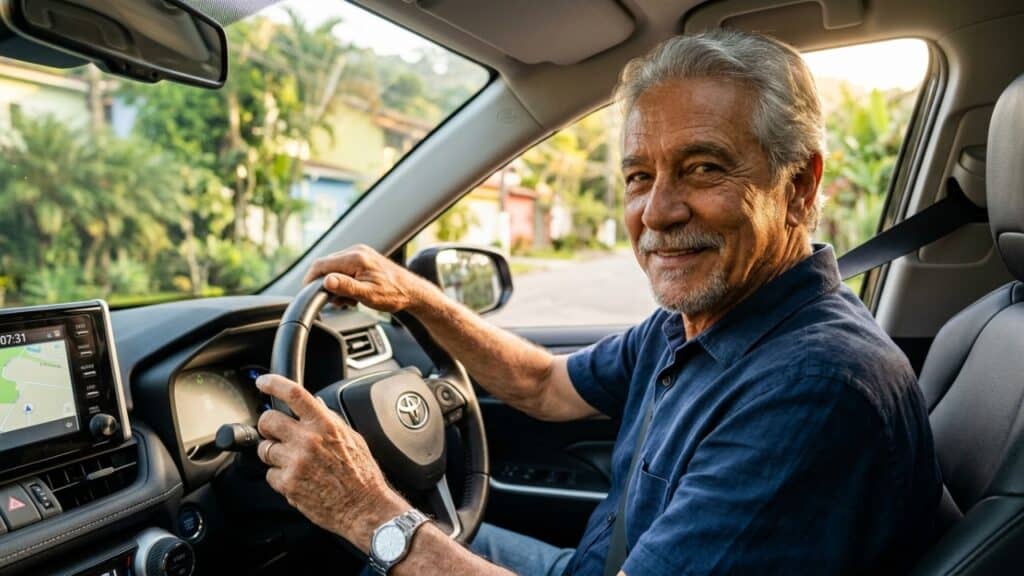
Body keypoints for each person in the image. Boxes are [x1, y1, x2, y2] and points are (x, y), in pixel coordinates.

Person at [252, 29, 942, 575]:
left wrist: (365, 510)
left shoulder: (814, 389)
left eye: (703, 167)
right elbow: (547, 384)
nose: (659, 211)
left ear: (798, 185)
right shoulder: (699, 320)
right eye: (640, 176)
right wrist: (416, 298)